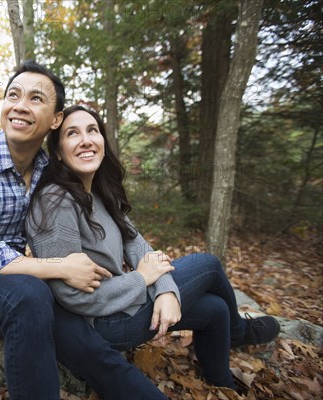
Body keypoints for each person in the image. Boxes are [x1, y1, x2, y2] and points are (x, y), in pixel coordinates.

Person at [0, 61, 165, 400]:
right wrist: (60, 267)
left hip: (19, 284)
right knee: (30, 294)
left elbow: (107, 213)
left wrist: (160, 282)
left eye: (35, 98)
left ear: (55, 118)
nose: (20, 106)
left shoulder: (48, 171)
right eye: (13, 95)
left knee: (71, 327)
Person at [26, 105, 281, 395]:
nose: (86, 139)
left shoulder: (98, 191)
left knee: (215, 309)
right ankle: (239, 333)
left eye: (92, 130)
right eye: (72, 134)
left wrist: (166, 289)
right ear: (58, 152)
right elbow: (71, 295)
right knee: (208, 264)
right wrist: (142, 279)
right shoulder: (56, 202)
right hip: (106, 321)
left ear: (103, 142)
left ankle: (221, 383)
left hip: (123, 303)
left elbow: (136, 244)